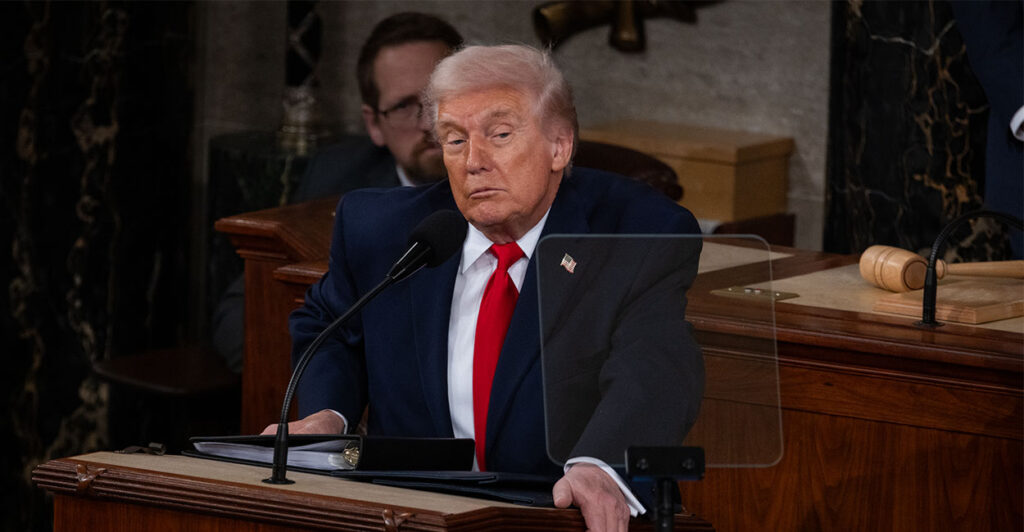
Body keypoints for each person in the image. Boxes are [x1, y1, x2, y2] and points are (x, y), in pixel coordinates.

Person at [272, 45, 704, 532]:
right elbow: (328, 328)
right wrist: (328, 415)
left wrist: (600, 466)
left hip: (552, 515)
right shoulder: (385, 232)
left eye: (499, 134)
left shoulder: (636, 233)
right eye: (454, 140)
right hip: (415, 516)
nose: (474, 161)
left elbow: (655, 365)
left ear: (559, 145)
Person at [212, 13, 463, 370]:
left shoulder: (513, 185)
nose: (430, 122)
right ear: (374, 123)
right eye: (406, 105)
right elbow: (239, 315)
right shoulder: (339, 179)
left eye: (441, 98)